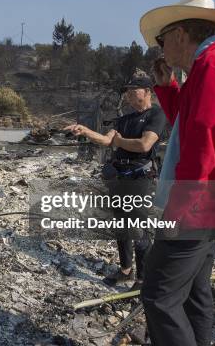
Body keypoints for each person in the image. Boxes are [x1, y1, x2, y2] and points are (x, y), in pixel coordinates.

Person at [139, 0, 215, 346]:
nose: (161, 48)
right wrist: (167, 87)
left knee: (159, 296)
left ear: (179, 34)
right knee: (193, 292)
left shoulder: (214, 67)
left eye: (162, 40)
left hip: (197, 205)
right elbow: (187, 126)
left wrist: (181, 206)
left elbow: (205, 136)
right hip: (214, 203)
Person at [64, 75, 166, 291]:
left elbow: (144, 145)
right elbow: (106, 140)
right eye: (127, 91)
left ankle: (142, 279)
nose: (129, 94)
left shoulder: (156, 114)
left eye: (134, 90)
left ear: (148, 91)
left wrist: (119, 141)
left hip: (140, 177)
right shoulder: (124, 118)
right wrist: (85, 130)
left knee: (138, 229)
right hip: (119, 177)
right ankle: (125, 270)